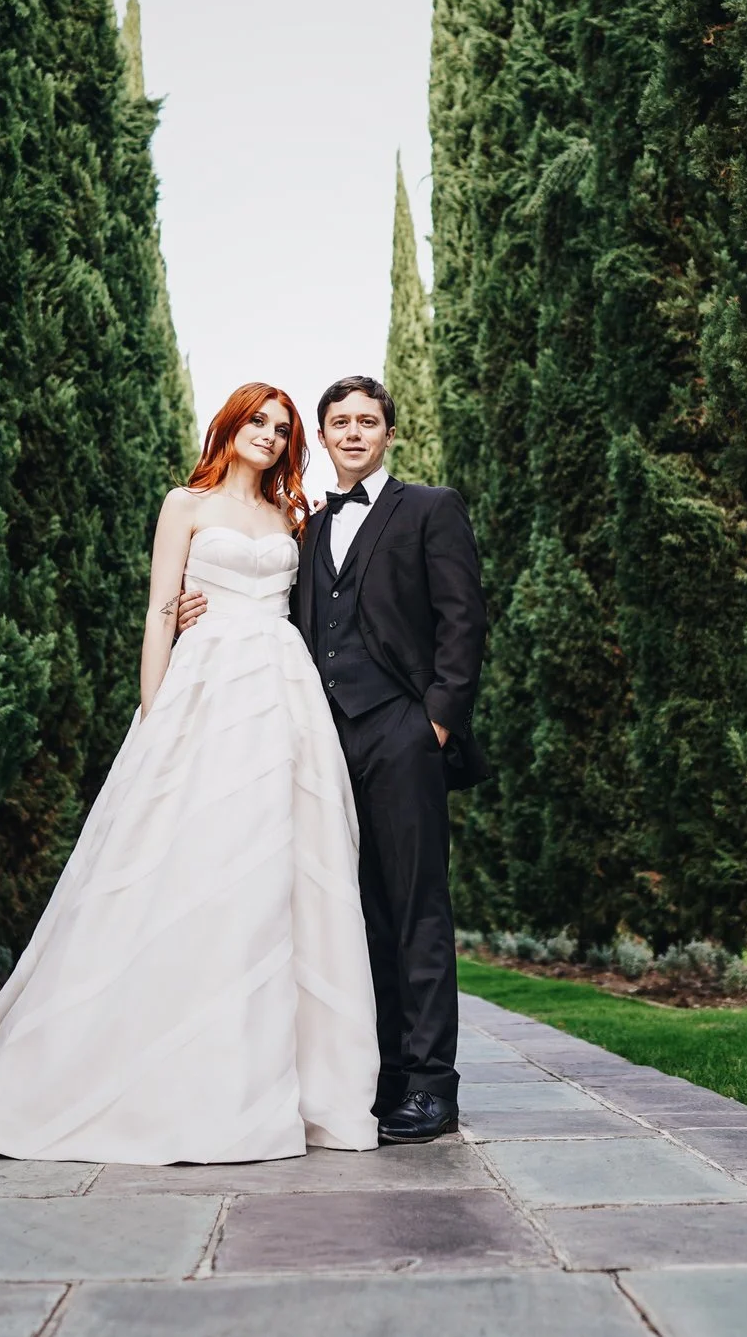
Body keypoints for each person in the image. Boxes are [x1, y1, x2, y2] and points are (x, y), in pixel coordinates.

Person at [0, 385, 378, 1163]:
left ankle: (274, 1078)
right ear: (230, 427)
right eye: (258, 422)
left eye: (282, 426)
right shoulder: (185, 503)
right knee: (181, 864)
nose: (271, 435)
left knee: (275, 877)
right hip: (203, 694)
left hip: (281, 698)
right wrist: (155, 712)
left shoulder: (289, 518)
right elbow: (160, 610)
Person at [177, 374, 487, 1143]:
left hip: (402, 732)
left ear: (387, 431)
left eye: (367, 420)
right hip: (316, 735)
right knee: (348, 912)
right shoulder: (304, 525)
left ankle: (430, 1086)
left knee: (416, 907)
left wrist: (435, 725)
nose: (353, 432)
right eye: (339, 421)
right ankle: (376, 1079)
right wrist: (191, 604)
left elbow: (463, 622)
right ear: (322, 435)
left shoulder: (429, 507)